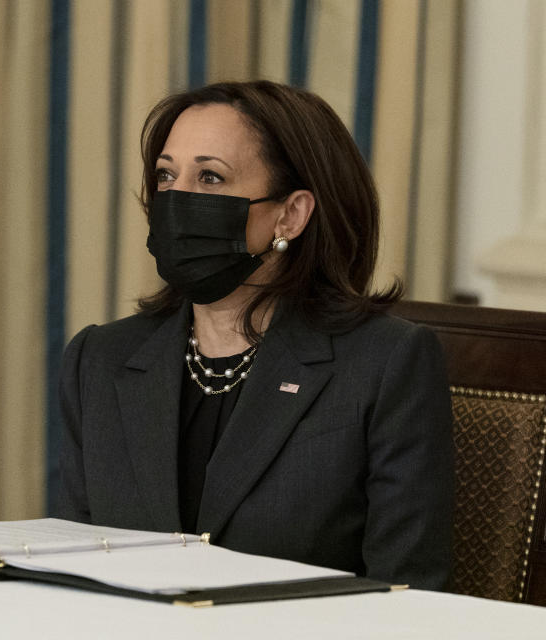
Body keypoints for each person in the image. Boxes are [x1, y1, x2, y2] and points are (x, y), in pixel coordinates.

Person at [56, 80, 454, 590]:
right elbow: (76, 573)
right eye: (165, 175)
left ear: (291, 213)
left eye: (211, 178)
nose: (178, 199)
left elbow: (409, 594)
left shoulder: (385, 363)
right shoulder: (101, 358)